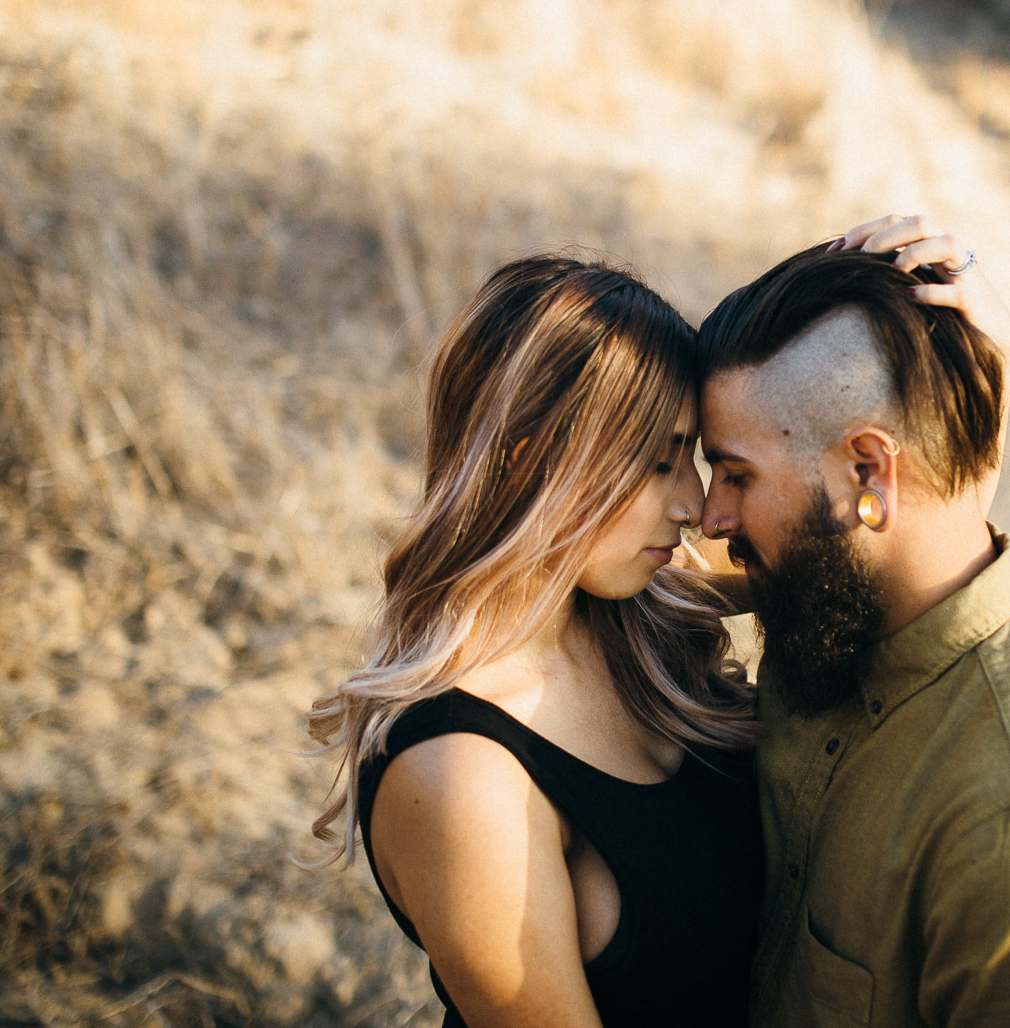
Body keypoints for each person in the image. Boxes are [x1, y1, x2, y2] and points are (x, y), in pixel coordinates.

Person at [697, 215, 1010, 1028]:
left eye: (736, 476)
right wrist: (983, 388)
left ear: (868, 471)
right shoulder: (831, 596)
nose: (709, 519)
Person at [307, 255, 762, 1028]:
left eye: (693, 460)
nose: (692, 503)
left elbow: (874, 543)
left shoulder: (638, 601)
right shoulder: (461, 776)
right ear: (532, 463)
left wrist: (977, 361)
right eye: (658, 464)